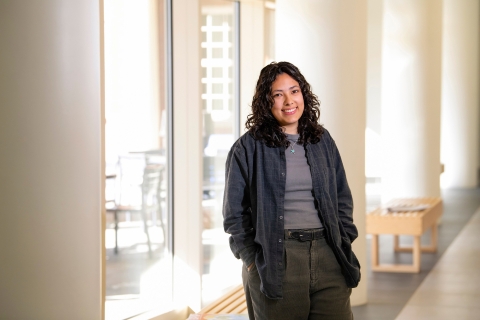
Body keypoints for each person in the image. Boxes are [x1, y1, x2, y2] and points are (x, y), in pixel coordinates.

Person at [223, 61, 360, 320]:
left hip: (328, 252)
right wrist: (252, 261)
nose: (289, 100)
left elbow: (342, 195)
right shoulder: (247, 148)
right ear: (266, 101)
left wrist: (344, 237)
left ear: (303, 94)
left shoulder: (322, 140)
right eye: (278, 94)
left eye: (294, 91)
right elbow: (234, 214)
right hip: (277, 259)